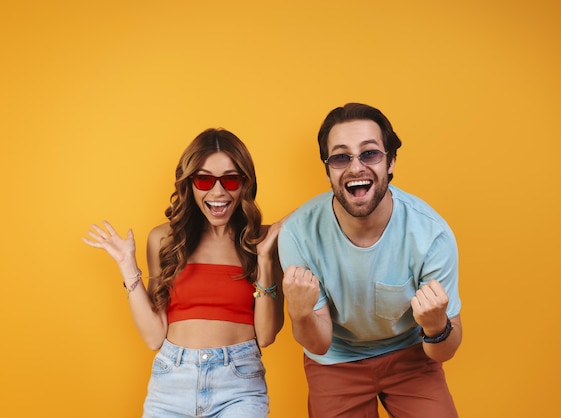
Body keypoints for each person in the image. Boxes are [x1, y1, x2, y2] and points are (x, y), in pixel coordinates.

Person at [83, 128, 285, 418]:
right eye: (204, 179)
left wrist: (264, 259)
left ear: (245, 183)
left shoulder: (262, 241)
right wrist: (128, 266)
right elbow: (154, 337)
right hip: (171, 382)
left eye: (230, 179)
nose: (218, 192)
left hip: (239, 386)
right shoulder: (165, 240)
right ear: (189, 184)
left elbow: (266, 335)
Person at [279, 103, 462, 417]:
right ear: (328, 170)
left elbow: (444, 351)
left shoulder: (431, 234)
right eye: (340, 157)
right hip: (335, 361)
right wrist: (299, 313)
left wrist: (435, 326)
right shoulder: (298, 234)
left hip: (411, 356)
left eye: (370, 153)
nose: (355, 167)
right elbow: (319, 344)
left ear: (390, 162)